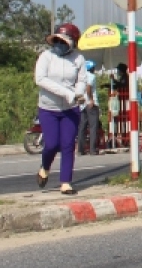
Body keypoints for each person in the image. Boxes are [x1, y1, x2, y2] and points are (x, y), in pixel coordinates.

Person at [35, 23, 90, 195]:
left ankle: (66, 182)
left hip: (70, 109)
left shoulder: (78, 59)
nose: (59, 44)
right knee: (51, 144)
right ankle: (45, 167)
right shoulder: (46, 56)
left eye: (64, 41)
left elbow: (81, 80)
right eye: (57, 40)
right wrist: (67, 93)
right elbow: (40, 79)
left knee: (67, 145)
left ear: (73, 43)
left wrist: (78, 93)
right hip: (48, 107)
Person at [76, 60, 101, 156]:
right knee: (93, 127)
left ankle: (80, 150)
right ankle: (92, 149)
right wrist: (91, 99)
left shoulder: (80, 77)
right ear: (91, 68)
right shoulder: (91, 76)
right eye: (94, 67)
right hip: (91, 104)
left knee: (82, 127)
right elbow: (89, 88)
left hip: (82, 104)